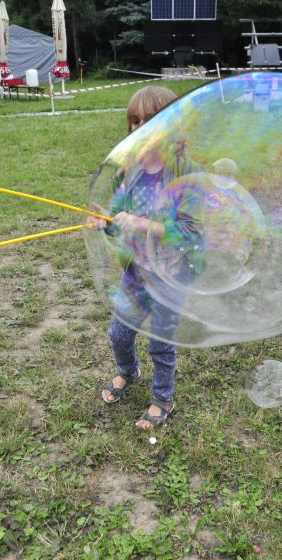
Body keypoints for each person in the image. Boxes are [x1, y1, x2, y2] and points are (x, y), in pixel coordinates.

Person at [86, 86, 200, 430]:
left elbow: (192, 233)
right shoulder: (130, 172)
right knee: (119, 334)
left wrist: (144, 224)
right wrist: (107, 222)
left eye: (151, 121)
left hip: (172, 272)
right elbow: (122, 222)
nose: (140, 128)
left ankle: (163, 397)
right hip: (137, 270)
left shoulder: (185, 171)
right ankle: (127, 372)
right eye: (134, 121)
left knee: (161, 344)